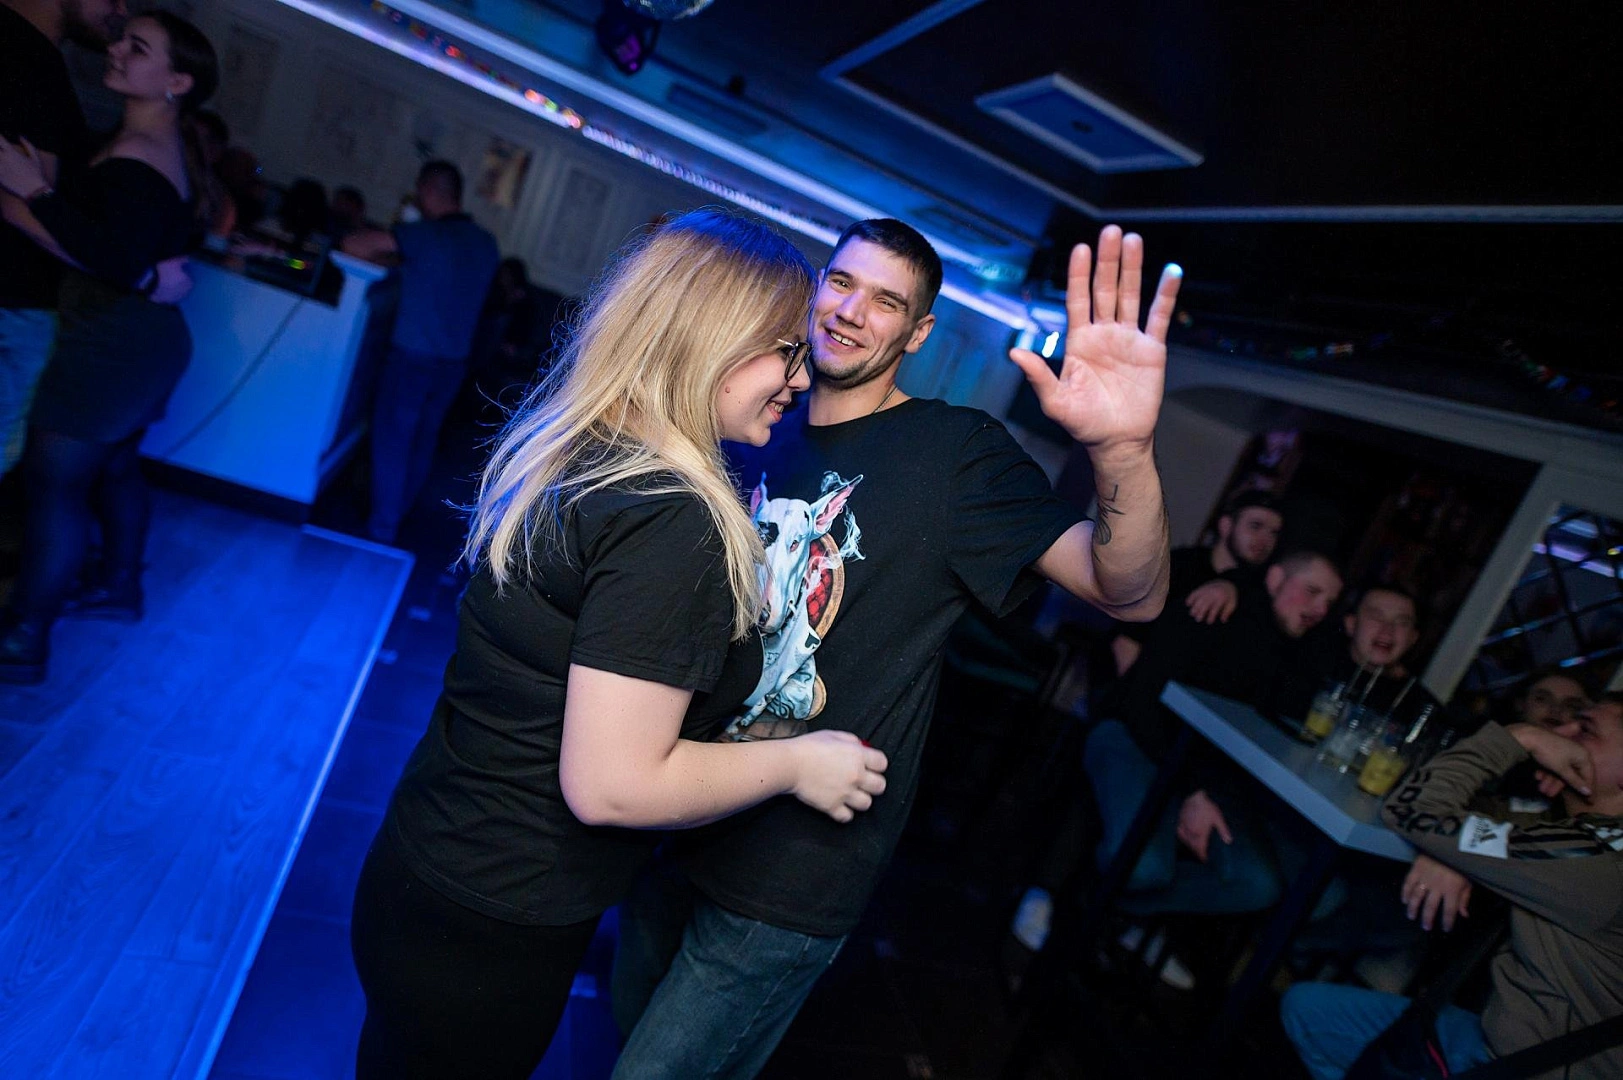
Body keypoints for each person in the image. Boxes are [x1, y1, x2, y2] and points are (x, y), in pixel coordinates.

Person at [609, 219, 1180, 1079]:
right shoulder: (757, 418)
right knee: (623, 1037)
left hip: (793, 873)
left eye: (886, 302)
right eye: (841, 282)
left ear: (917, 334)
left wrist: (1123, 452)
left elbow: (1128, 592)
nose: (850, 311)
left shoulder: (955, 455)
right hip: (680, 813)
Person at [349, 209, 891, 1079]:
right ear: (712, 343)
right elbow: (612, 786)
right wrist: (799, 764)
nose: (801, 376)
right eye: (785, 350)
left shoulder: (586, 447)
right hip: (495, 918)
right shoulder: (671, 519)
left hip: (428, 864)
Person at [0, 10, 217, 684]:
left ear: (176, 81)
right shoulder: (145, 142)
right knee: (114, 469)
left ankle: (23, 640)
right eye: (123, 39)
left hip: (115, 344)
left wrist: (32, 190)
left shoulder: (141, 156)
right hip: (137, 341)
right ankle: (119, 586)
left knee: (54, 487)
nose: (117, 49)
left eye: (138, 47)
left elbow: (114, 259)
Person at [1282, 693, 1623, 1080]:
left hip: (1526, 1066)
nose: (1562, 733)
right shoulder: (1587, 830)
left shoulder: (1599, 860)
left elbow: (1412, 808)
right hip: (1503, 1041)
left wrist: (1520, 737)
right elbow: (1477, 809)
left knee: (1314, 1015)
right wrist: (1450, 849)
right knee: (1307, 1011)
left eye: (1586, 730)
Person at [342, 160, 500, 543]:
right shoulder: (486, 244)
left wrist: (403, 228)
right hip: (453, 362)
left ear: (428, 190)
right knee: (422, 441)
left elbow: (353, 244)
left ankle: (382, 527)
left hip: (413, 353)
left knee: (393, 438)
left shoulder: (425, 235)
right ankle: (395, 519)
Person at [0, 0, 125, 478]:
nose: (120, 10)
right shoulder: (29, 60)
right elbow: (18, 204)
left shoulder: (34, 58)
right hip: (13, 301)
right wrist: (132, 269)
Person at [1110, 489, 1284, 676]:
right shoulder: (1178, 566)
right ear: (1226, 526)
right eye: (1255, 526)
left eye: (1274, 533)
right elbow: (1127, 641)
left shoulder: (1258, 593)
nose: (1265, 540)